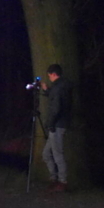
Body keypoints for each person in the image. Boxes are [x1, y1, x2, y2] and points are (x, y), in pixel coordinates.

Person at [40, 64, 73, 192]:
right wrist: (47, 90)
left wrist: (50, 124)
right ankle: (54, 179)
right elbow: (57, 98)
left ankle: (62, 182)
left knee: (57, 154)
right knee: (46, 154)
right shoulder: (61, 86)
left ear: (53, 74)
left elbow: (56, 108)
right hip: (59, 124)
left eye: (49, 76)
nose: (49, 78)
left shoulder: (59, 87)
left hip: (57, 125)